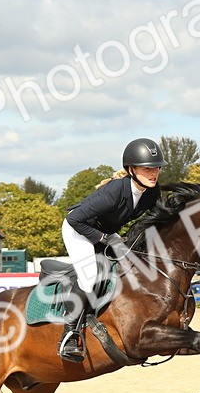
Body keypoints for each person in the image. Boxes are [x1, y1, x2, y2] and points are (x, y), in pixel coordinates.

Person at [58, 137, 164, 362]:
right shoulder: (115, 191)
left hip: (106, 232)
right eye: (147, 169)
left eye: (156, 168)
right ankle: (70, 333)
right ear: (131, 169)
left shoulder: (152, 192)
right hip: (78, 230)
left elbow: (161, 218)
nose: (153, 173)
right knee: (89, 277)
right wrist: (105, 239)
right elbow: (75, 219)